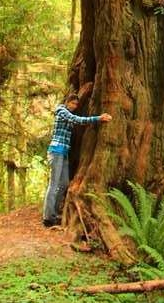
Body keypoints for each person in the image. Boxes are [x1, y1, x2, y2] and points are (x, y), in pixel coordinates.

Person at [42, 90, 112, 227]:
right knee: (54, 184)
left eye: (76, 104)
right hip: (56, 151)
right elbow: (77, 120)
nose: (74, 106)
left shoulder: (67, 113)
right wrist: (98, 118)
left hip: (64, 152)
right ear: (67, 102)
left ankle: (54, 214)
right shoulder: (62, 111)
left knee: (64, 183)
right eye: (73, 103)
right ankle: (47, 217)